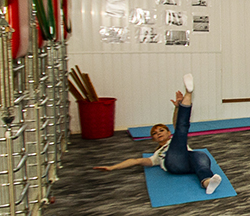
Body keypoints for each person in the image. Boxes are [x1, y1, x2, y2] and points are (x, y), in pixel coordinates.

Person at [94, 74, 222, 194]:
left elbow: (177, 125)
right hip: (174, 164)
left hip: (190, 161)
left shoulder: (174, 140)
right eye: (155, 133)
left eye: (161, 130)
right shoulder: (157, 155)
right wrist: (112, 167)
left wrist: (177, 107)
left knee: (200, 155)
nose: (158, 133)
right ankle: (189, 93)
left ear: (168, 133)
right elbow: (136, 161)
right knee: (182, 130)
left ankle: (207, 183)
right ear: (154, 139)